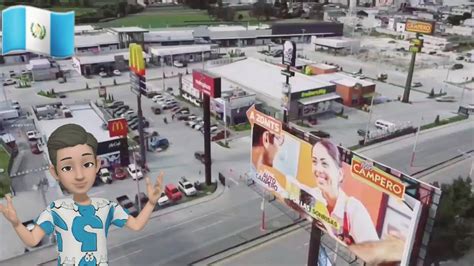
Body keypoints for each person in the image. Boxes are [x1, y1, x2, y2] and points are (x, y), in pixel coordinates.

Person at [0, 124, 163, 265]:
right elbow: (32, 240)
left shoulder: (106, 207)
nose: (79, 175)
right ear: (55, 172)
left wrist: (150, 203)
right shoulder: (55, 210)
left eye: (87, 164)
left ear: (97, 165)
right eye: (67, 168)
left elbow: (136, 225)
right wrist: (16, 223)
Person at [291, 139, 379, 245]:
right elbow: (288, 186)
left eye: (324, 163)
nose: (318, 169)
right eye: (314, 161)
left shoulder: (353, 209)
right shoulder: (312, 194)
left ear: (340, 174)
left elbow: (375, 254)